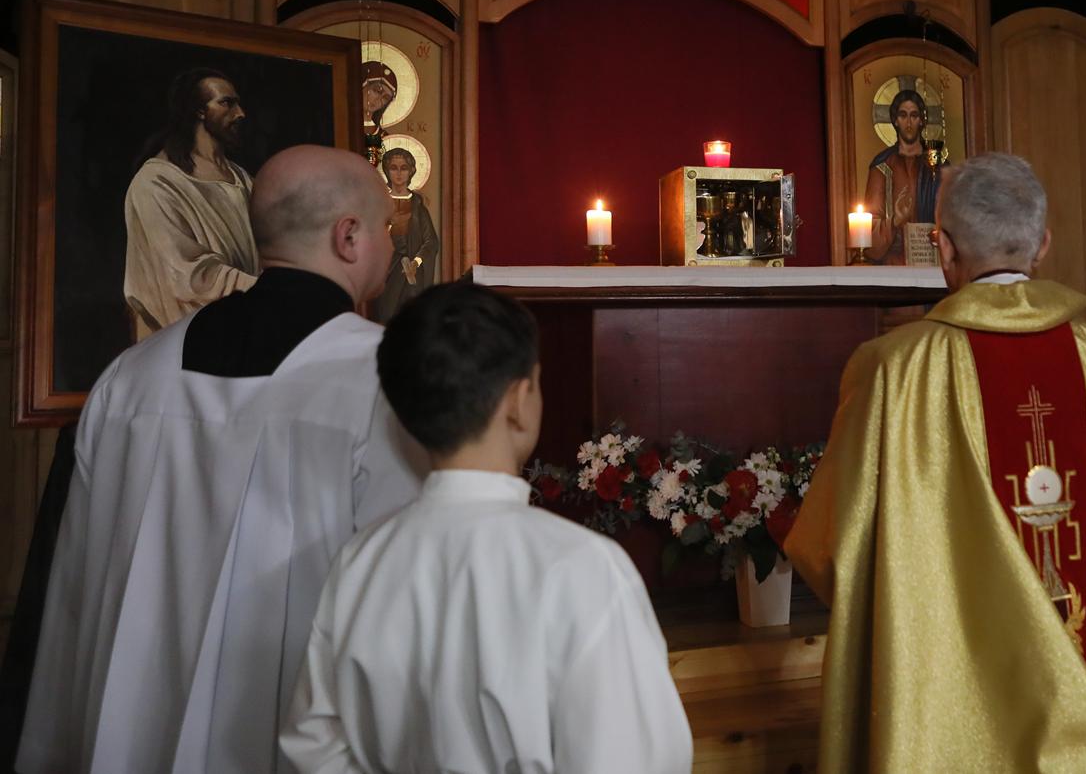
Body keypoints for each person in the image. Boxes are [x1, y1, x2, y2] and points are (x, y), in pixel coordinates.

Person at [786, 153, 1086, 773]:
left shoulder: (895, 371)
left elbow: (834, 549)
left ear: (943, 248)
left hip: (953, 707)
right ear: (1043, 244)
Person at [17, 146, 426, 774]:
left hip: (127, 731)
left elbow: (73, 580)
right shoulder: (390, 375)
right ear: (348, 237)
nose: (390, 246)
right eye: (384, 229)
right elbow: (407, 590)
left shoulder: (132, 375)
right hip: (286, 734)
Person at [280, 282, 693, 774]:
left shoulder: (361, 561)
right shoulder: (582, 566)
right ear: (519, 400)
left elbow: (314, 742)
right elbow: (635, 760)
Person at [124, 67, 260, 338]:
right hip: (188, 339)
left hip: (245, 327)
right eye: (227, 103)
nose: (240, 113)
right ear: (199, 111)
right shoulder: (156, 182)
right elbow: (188, 276)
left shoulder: (243, 179)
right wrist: (268, 290)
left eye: (238, 103)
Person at [863, 88, 939, 264]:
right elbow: (869, 230)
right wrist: (896, 220)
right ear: (895, 121)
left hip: (932, 258)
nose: (909, 122)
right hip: (894, 263)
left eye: (914, 115)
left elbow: (952, 217)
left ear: (921, 120)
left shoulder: (938, 166)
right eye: (903, 115)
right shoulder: (882, 166)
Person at [372, 147, 438, 324]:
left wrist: (417, 262)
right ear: (387, 171)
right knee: (386, 315)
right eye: (394, 168)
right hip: (387, 269)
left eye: (404, 168)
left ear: (411, 171)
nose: (399, 173)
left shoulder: (418, 207)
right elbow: (371, 238)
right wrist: (388, 225)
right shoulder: (380, 204)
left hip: (410, 271)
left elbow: (431, 241)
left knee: (410, 318)